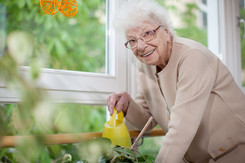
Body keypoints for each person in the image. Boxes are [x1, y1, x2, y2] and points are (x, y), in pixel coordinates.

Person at [106, 0, 245, 162]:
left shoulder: (192, 57)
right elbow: (147, 119)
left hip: (233, 152)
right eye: (132, 40)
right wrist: (127, 104)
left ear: (166, 31)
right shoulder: (145, 65)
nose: (141, 46)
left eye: (147, 33)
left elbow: (181, 129)